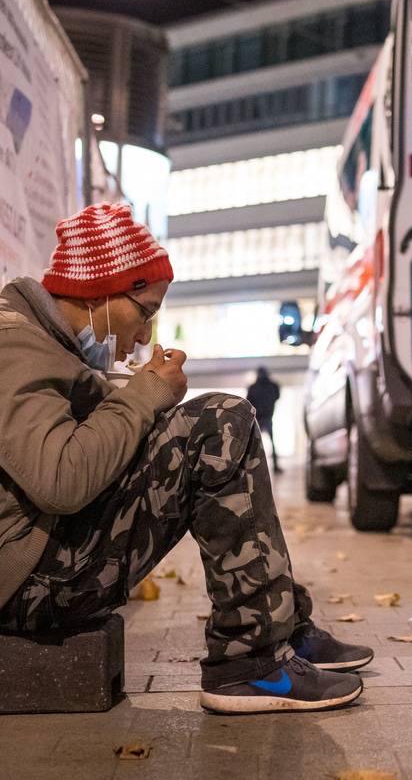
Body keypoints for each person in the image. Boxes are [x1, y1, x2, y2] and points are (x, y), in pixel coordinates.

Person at [0, 203, 372, 714]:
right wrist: (146, 393)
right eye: (145, 311)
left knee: (214, 427)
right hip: (28, 587)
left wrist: (141, 402)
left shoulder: (46, 346)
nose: (144, 336)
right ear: (104, 291)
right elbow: (61, 481)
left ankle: (280, 628)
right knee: (219, 422)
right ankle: (250, 662)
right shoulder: (13, 345)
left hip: (39, 570)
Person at [247, 366, 282, 474]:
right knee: (271, 442)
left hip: (258, 418)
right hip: (267, 417)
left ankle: (251, 468)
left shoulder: (253, 387)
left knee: (254, 444)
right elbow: (277, 396)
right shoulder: (273, 386)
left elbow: (248, 401)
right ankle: (275, 466)